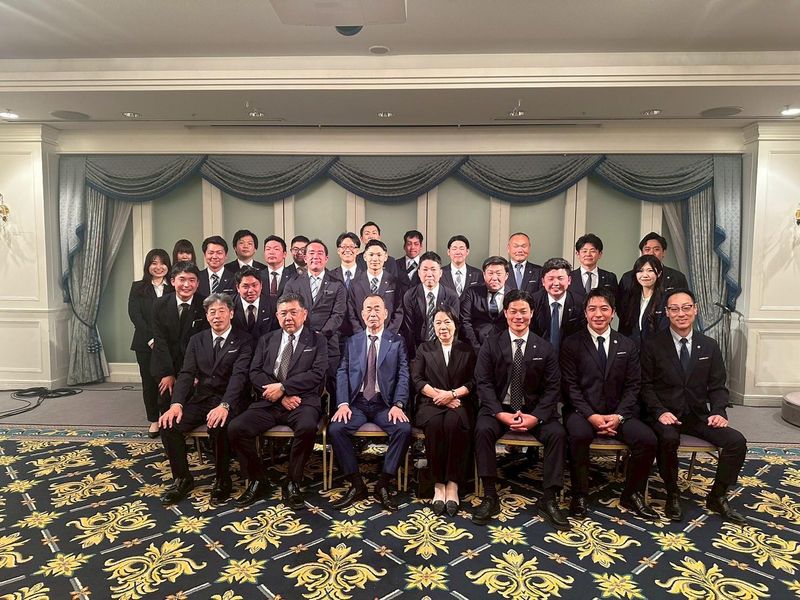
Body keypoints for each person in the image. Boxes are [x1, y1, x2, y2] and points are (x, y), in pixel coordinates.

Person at [641, 288, 747, 525]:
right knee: (668, 439)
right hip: (665, 415)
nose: (681, 313)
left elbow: (718, 387)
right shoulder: (652, 345)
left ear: (695, 309)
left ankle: (718, 495)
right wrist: (659, 411)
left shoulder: (709, 346)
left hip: (698, 416)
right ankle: (672, 493)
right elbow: (644, 386)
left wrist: (718, 411)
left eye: (686, 308)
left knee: (736, 442)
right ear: (667, 313)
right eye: (675, 309)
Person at [472, 289, 569, 529]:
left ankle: (549, 498)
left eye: (523, 311)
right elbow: (483, 382)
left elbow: (553, 388)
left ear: (532, 313)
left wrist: (536, 417)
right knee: (482, 430)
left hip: (534, 411)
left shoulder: (544, 347)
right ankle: (490, 494)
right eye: (513, 311)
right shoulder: (491, 344)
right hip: (499, 408)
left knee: (557, 434)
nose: (518, 316)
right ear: (505, 313)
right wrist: (500, 413)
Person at [560, 288, 658, 520]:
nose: (598, 314)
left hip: (619, 413)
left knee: (647, 439)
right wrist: (591, 416)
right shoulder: (571, 344)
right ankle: (579, 494)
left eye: (604, 309)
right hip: (581, 412)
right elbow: (570, 387)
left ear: (613, 313)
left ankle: (632, 494)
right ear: (585, 313)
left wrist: (619, 416)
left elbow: (634, 385)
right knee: (578, 436)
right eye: (592, 309)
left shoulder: (627, 344)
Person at [229, 293, 328, 509]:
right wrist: (280, 395)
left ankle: (292, 482)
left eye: (293, 312)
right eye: (283, 313)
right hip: (270, 401)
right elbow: (254, 372)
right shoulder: (267, 339)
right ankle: (258, 479)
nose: (288, 317)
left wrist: (284, 388)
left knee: (307, 427)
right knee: (236, 428)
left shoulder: (317, 340)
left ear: (304, 314)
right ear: (277, 316)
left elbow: (317, 374)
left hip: (302, 402)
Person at [158, 293, 253, 505]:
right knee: (168, 424)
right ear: (207, 315)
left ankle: (222, 479)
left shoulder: (244, 340)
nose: (216, 316)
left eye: (221, 311)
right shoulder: (197, 340)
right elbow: (186, 374)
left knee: (218, 424)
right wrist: (176, 404)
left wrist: (225, 405)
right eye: (212, 312)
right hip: (202, 399)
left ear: (231, 313)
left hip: (231, 400)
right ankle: (182, 479)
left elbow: (239, 377)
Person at [329, 294, 412, 511]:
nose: (372, 313)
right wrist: (343, 403)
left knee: (403, 429)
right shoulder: (352, 341)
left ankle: (384, 483)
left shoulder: (397, 341)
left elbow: (404, 374)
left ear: (385, 313)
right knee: (336, 429)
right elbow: (342, 371)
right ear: (362, 314)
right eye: (368, 309)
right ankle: (356, 484)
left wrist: (398, 404)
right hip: (356, 403)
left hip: (384, 404)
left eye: (377, 308)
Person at [411, 307, 476, 516]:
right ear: (433, 326)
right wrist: (440, 397)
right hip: (431, 402)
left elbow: (473, 381)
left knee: (453, 424)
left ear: (455, 325)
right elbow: (417, 379)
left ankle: (453, 484)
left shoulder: (466, 350)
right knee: (435, 425)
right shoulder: (424, 348)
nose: (443, 327)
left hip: (459, 402)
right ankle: (438, 484)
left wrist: (453, 394)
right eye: (438, 323)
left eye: (447, 322)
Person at [285, 239, 347, 379]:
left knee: (332, 384)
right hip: (299, 342)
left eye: (320, 253)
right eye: (311, 253)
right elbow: (287, 311)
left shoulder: (337, 284)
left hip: (329, 343)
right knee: (301, 383)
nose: (315, 256)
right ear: (305, 258)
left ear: (326, 258)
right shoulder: (293, 283)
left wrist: (321, 335)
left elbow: (338, 314)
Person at [150, 262, 209, 406]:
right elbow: (160, 341)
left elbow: (204, 344)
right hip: (166, 362)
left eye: (192, 280)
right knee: (165, 401)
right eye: (182, 279)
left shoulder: (205, 304)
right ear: (172, 281)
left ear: (198, 283)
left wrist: (194, 373)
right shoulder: (159, 304)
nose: (186, 285)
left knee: (191, 406)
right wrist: (167, 373)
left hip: (193, 365)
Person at [128, 249, 172, 437]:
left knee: (169, 382)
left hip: (169, 344)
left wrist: (163, 341)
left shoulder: (174, 286)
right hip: (145, 344)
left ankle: (168, 418)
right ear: (148, 265)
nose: (158, 267)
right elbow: (135, 315)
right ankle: (154, 420)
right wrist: (151, 339)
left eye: (162, 263)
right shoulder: (138, 287)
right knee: (149, 383)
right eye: (154, 263)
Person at [402, 251, 460, 358]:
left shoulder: (451, 296)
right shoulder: (410, 295)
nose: (429, 274)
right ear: (419, 273)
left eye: (433, 269)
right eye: (425, 270)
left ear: (440, 273)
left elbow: (454, 328)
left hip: (444, 348)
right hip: (418, 349)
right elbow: (409, 330)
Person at [347, 239, 404, 334]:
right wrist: (361, 335)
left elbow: (398, 311)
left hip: (388, 336)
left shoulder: (394, 282)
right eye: (371, 254)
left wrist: (387, 335)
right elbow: (351, 313)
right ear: (365, 257)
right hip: (361, 336)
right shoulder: (355, 283)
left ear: (385, 257)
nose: (375, 259)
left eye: (379, 255)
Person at [617, 232, 689, 306]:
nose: (651, 253)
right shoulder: (628, 277)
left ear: (663, 253)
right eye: (647, 249)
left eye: (656, 249)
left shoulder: (677, 277)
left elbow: (684, 303)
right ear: (642, 253)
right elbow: (620, 305)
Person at [531, 257, 586, 351]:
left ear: (569, 280)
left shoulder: (580, 303)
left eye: (560, 278)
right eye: (551, 279)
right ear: (543, 281)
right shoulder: (533, 301)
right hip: (539, 353)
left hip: (570, 354)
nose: (556, 283)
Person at [460, 256, 511, 355]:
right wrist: (476, 348)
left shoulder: (513, 295)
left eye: (499, 273)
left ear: (506, 275)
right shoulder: (472, 292)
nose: (494, 278)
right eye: (490, 273)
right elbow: (465, 321)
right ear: (484, 275)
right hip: (476, 348)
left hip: (505, 350)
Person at [618, 255, 669, 348]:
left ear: (659, 273)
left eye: (650, 270)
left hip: (656, 351)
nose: (645, 275)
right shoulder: (630, 297)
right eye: (640, 271)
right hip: (631, 350)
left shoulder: (666, 299)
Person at [232, 266, 277, 345]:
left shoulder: (273, 305)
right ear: (237, 288)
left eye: (254, 285)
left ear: (261, 285)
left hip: (265, 348)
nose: (250, 290)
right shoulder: (229, 305)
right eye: (245, 286)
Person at [568, 233, 618, 301]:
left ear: (600, 254)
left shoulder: (610, 278)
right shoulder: (569, 277)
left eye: (592, 251)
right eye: (584, 251)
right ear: (577, 254)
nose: (588, 254)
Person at [440, 235, 482, 299]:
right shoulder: (440, 273)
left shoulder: (477, 274)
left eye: (461, 248)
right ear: (448, 252)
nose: (458, 252)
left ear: (467, 252)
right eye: (454, 249)